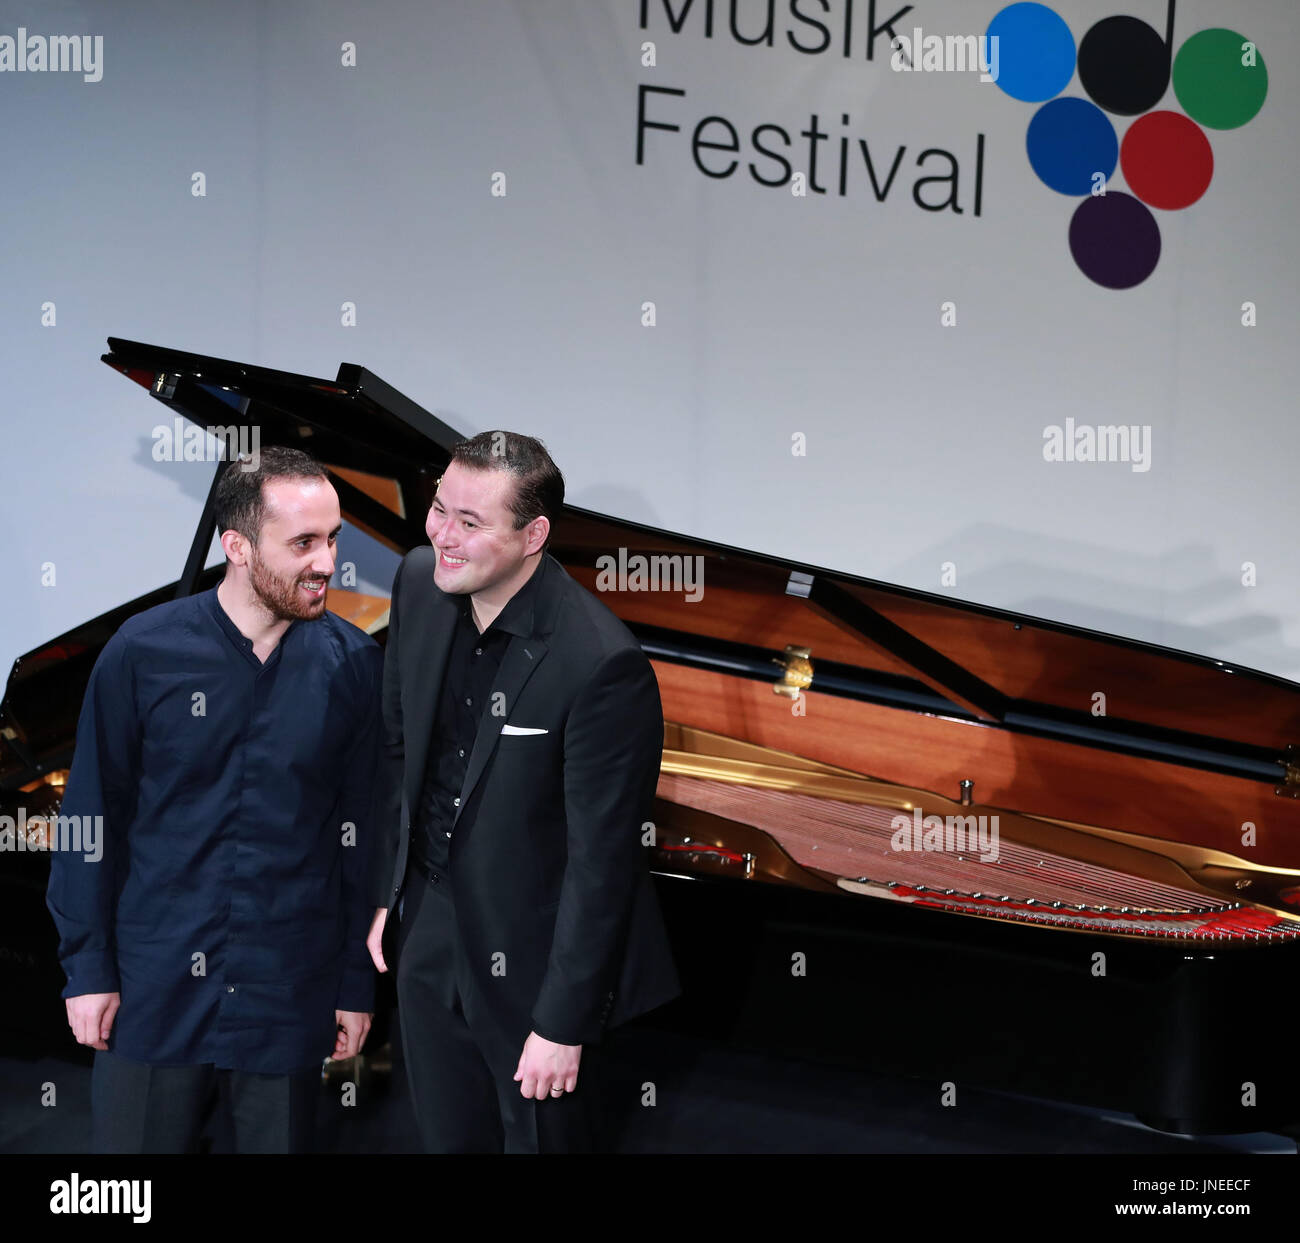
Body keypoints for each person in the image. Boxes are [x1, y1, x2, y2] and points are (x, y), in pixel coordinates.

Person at [47, 445, 382, 1153]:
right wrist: (88, 969)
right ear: (236, 546)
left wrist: (356, 979)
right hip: (152, 990)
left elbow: (365, 837)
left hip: (289, 993)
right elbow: (88, 821)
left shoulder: (354, 667)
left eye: (332, 539)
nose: (326, 562)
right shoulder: (142, 653)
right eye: (303, 543)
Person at [366, 430, 679, 1154]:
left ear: (533, 534)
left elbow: (603, 866)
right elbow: (397, 749)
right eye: (439, 509)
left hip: (537, 958)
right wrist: (389, 890)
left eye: (469, 523)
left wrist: (562, 1022)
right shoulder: (418, 580)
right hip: (428, 924)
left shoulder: (601, 664)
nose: (443, 535)